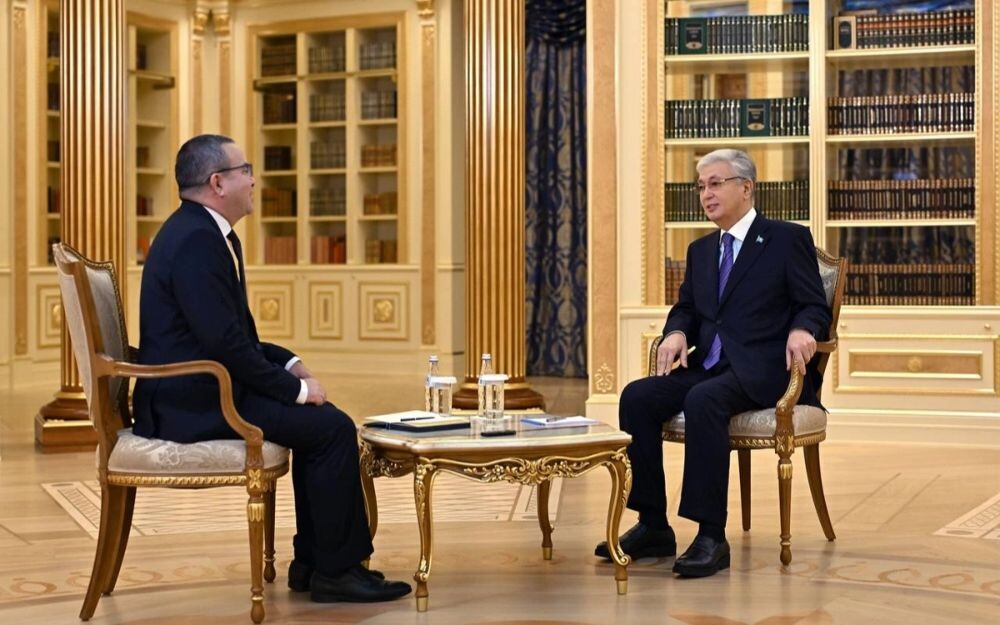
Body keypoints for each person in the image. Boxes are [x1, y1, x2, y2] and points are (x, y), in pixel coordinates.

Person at [132, 134, 411, 603]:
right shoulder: (197, 240)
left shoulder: (201, 231)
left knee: (322, 426)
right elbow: (224, 345)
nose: (253, 180)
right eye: (245, 171)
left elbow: (231, 337)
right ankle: (335, 570)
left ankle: (315, 565)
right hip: (193, 400)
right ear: (218, 183)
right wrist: (295, 391)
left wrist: (289, 362)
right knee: (332, 429)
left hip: (202, 386)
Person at [595, 149, 831, 577]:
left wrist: (803, 329)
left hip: (762, 369)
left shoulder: (785, 239)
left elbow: (814, 305)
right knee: (637, 397)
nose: (706, 193)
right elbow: (687, 308)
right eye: (701, 186)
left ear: (746, 187)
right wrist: (676, 332)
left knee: (704, 400)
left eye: (716, 183)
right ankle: (653, 524)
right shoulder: (701, 249)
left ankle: (710, 536)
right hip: (709, 366)